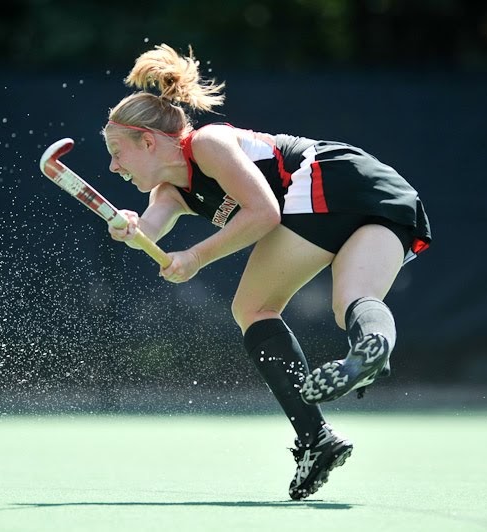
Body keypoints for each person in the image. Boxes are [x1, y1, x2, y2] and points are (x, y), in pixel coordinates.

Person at [103, 44, 430, 500]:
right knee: (353, 303)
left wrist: (195, 257)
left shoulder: (207, 144)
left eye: (118, 151)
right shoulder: (169, 192)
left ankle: (315, 438)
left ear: (149, 141)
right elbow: (152, 226)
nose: (113, 165)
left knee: (252, 307)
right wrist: (132, 228)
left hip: (327, 175)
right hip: (381, 189)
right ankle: (369, 354)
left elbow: (263, 213)